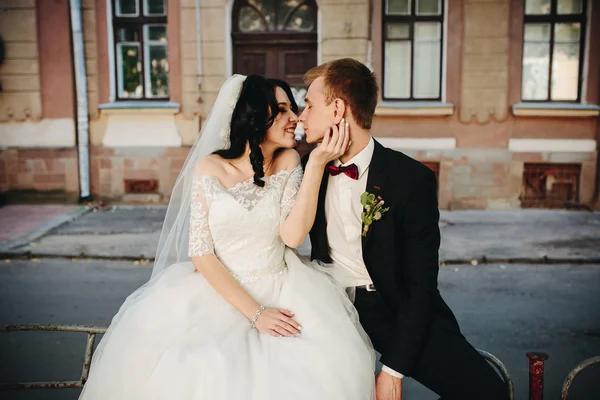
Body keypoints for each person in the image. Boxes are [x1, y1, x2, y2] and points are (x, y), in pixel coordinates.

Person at [78, 74, 376, 400]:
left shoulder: (290, 161)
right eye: (282, 109)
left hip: (282, 286)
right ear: (253, 115)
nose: (296, 118)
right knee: (198, 370)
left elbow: (292, 236)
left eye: (294, 108)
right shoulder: (210, 168)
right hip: (216, 291)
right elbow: (201, 253)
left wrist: (317, 163)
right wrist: (256, 312)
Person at [299, 58, 510, 400]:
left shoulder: (411, 179)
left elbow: (420, 284)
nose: (301, 116)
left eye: (308, 105)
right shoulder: (310, 166)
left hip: (391, 307)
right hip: (330, 309)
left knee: (487, 392)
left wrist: (393, 371)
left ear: (338, 109)